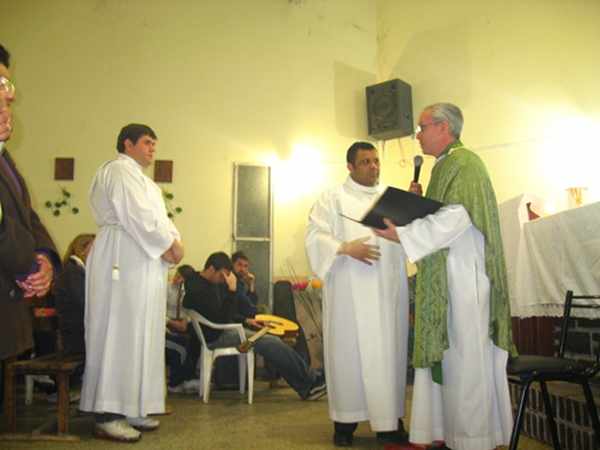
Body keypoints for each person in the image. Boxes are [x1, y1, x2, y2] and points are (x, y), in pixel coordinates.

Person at [374, 103, 514, 450]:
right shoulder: (445, 165)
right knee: (452, 362)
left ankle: (473, 440)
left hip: (464, 280)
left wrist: (403, 234)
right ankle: (452, 436)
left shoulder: (465, 164)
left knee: (467, 363)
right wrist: (417, 206)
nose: (417, 135)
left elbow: (456, 218)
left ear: (443, 127)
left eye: (421, 128)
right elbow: (441, 215)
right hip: (448, 279)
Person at [80, 124, 184, 442]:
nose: (153, 148)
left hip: (143, 262)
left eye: (155, 143)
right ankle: (107, 413)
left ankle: (132, 406)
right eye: (147, 142)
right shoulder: (118, 170)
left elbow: (162, 219)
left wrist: (174, 241)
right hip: (120, 255)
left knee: (142, 334)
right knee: (118, 332)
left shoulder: (147, 183)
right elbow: (138, 216)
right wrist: (169, 245)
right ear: (127, 144)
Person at [305, 142, 409, 447]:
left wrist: (412, 211)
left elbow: (410, 236)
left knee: (386, 356)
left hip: (386, 291)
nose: (373, 167)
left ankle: (388, 424)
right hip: (348, 292)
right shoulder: (332, 198)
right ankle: (345, 423)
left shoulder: (390, 198)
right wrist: (344, 247)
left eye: (376, 161)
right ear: (350, 166)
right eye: (365, 162)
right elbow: (314, 235)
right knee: (347, 354)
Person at [0, 43, 60, 404]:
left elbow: (27, 214)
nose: (10, 97)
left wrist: (45, 257)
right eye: (1, 86)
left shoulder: (5, 158)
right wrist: (29, 267)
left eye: (8, 87)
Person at [182, 251, 326, 401]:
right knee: (272, 342)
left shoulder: (207, 283)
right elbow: (221, 318)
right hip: (217, 335)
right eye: (222, 275)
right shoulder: (199, 288)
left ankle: (310, 379)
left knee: (273, 340)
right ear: (211, 269)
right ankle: (309, 385)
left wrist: (245, 320)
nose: (223, 279)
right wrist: (232, 291)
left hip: (224, 329)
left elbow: (227, 313)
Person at [53, 233, 95, 356]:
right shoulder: (73, 271)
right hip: (76, 336)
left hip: (77, 332)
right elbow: (84, 302)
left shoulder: (74, 269)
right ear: (83, 249)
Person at [165, 264, 202, 393]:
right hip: (167, 322)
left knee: (195, 338)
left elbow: (188, 314)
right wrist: (169, 322)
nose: (176, 279)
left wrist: (184, 321)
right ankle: (178, 381)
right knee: (181, 344)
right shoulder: (167, 288)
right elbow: (159, 311)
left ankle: (189, 376)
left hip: (182, 322)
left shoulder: (188, 293)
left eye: (180, 277)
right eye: (176, 275)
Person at [232, 250, 258, 317]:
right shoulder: (231, 282)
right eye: (239, 265)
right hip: (238, 322)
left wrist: (251, 285)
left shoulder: (240, 283)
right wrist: (246, 320)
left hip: (246, 318)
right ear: (232, 265)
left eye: (245, 266)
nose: (242, 269)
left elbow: (252, 304)